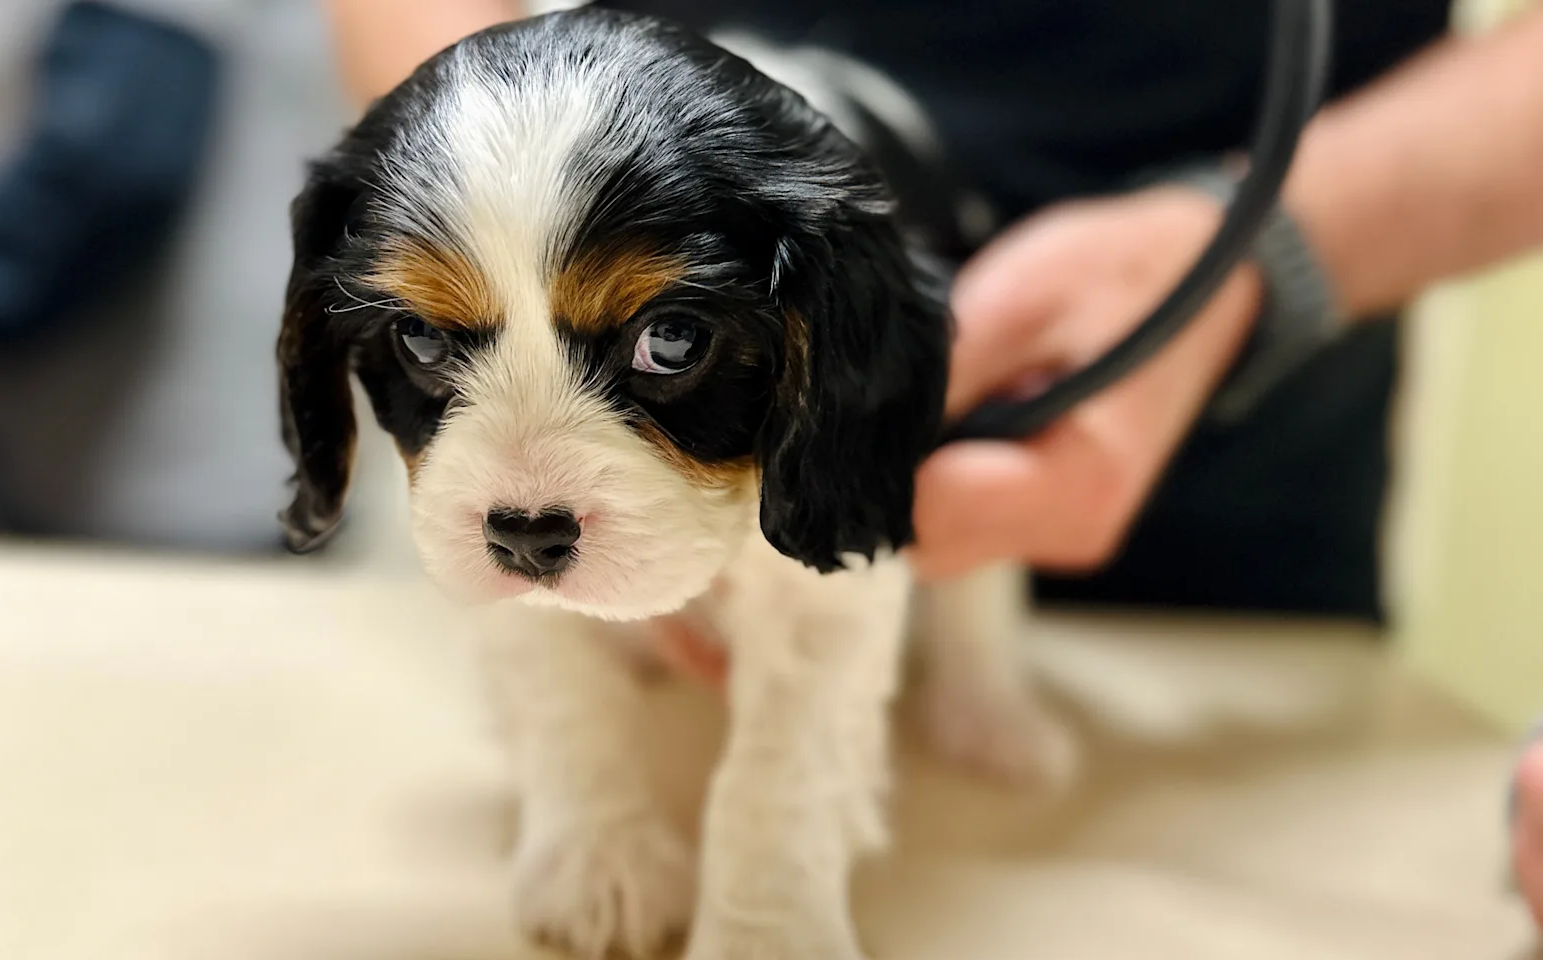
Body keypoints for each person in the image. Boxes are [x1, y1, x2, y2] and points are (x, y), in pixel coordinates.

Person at [319, 0, 1543, 927]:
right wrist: (471, 165)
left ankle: (972, 653)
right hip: (641, 137)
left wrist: (1259, 250)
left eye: (670, 338)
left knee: (915, 563)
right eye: (430, 334)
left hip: (1223, 465)